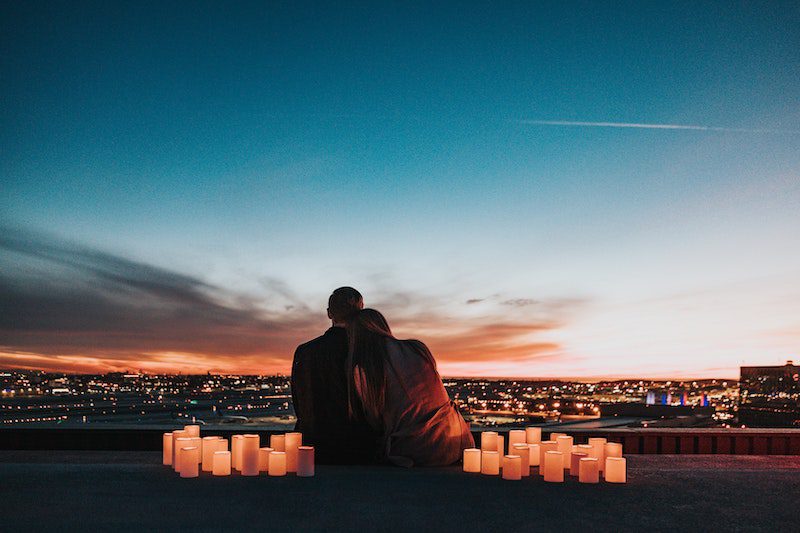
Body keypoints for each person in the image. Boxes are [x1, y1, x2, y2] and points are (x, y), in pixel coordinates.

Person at [347, 308, 475, 466]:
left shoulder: (365, 369)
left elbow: (374, 419)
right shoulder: (417, 348)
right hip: (456, 441)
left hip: (417, 450)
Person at [291, 287, 378, 463]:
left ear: (329, 313)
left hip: (312, 446)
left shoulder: (304, 352)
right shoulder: (368, 351)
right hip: (359, 449)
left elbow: (300, 404)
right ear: (361, 311)